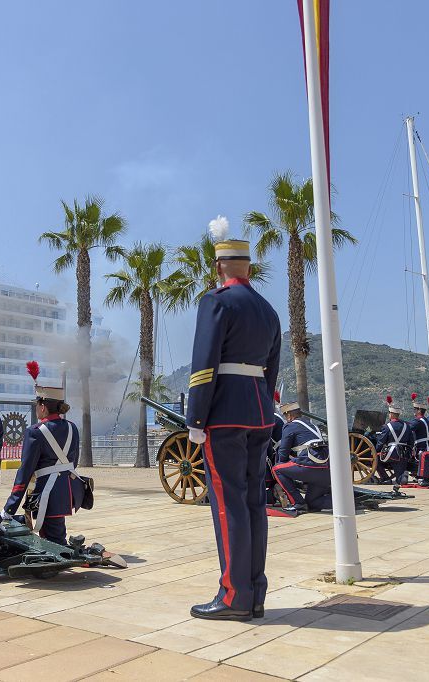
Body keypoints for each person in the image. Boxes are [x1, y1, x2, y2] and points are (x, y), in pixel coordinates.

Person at [185, 219, 281, 622]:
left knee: (228, 505)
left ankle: (234, 596)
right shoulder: (269, 310)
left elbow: (204, 364)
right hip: (259, 412)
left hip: (224, 413)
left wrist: (196, 416)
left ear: (220, 264)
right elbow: (271, 371)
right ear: (248, 267)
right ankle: (255, 592)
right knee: (254, 502)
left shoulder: (217, 301)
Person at [4, 381, 84, 545]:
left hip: (46, 493)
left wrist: (10, 508)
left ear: (42, 407)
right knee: (56, 533)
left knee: (51, 542)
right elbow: (73, 463)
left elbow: (25, 471)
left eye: (37, 404)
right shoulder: (72, 428)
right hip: (66, 490)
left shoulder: (35, 432)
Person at [271, 402, 331, 513]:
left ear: (289, 415)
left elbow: (283, 453)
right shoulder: (312, 425)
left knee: (277, 469)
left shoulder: (290, 426)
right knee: (312, 502)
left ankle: (298, 503)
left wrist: (283, 476)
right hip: (326, 470)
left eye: (285, 416)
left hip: (311, 466)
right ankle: (352, 502)